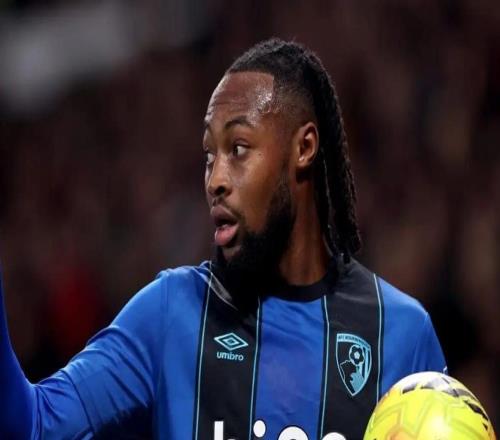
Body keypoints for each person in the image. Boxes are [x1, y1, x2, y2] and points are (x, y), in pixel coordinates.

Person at [0, 38, 446, 440]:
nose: (215, 179)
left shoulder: (400, 333)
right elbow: (32, 425)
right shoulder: (172, 313)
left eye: (238, 149)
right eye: (209, 155)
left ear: (304, 148)